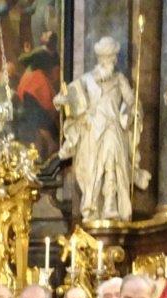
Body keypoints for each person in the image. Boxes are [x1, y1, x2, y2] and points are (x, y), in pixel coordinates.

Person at [54, 36, 149, 223]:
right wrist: (63, 101)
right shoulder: (87, 80)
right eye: (106, 57)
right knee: (94, 170)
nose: (110, 61)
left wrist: (134, 111)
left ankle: (110, 204)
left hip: (113, 127)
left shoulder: (119, 79)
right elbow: (68, 97)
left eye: (112, 57)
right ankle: (93, 205)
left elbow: (132, 102)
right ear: (100, 59)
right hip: (93, 130)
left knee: (113, 163)